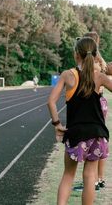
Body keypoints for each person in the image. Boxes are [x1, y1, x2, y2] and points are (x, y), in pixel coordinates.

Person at [48, 37, 111, 205]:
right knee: (90, 176)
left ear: (76, 54)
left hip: (76, 134)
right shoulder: (100, 77)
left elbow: (51, 102)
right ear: (96, 55)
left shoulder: (68, 75)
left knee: (68, 174)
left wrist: (57, 124)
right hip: (97, 133)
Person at [83, 31, 108, 190]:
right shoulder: (100, 60)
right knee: (99, 141)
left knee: (95, 143)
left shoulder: (93, 62)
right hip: (100, 102)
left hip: (94, 103)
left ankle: (94, 180)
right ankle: (98, 178)